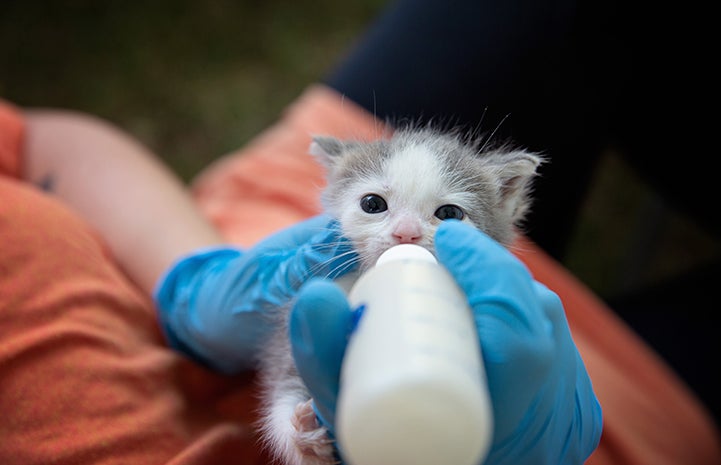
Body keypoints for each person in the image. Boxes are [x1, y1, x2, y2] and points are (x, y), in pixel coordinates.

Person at [1, 2, 719, 465]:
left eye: (440, 220)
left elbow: (38, 140)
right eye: (379, 208)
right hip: (626, 395)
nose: (406, 235)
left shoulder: (358, 216)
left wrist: (195, 276)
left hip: (282, 209)